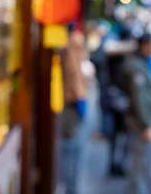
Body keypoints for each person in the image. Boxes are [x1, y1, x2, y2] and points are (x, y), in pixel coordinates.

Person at [119, 33, 151, 194]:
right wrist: (147, 124)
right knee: (142, 159)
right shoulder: (135, 66)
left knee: (141, 158)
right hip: (139, 120)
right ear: (145, 45)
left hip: (139, 118)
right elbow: (139, 98)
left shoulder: (141, 63)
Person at [59, 30, 89, 194]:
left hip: (71, 101)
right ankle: (69, 186)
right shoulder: (72, 49)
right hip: (70, 101)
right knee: (70, 146)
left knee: (71, 146)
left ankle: (70, 184)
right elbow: (74, 74)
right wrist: (79, 94)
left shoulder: (72, 48)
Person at [104, 26, 135, 176]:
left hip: (119, 97)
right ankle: (116, 163)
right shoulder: (118, 52)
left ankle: (118, 162)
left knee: (120, 134)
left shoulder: (119, 53)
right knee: (120, 133)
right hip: (119, 97)